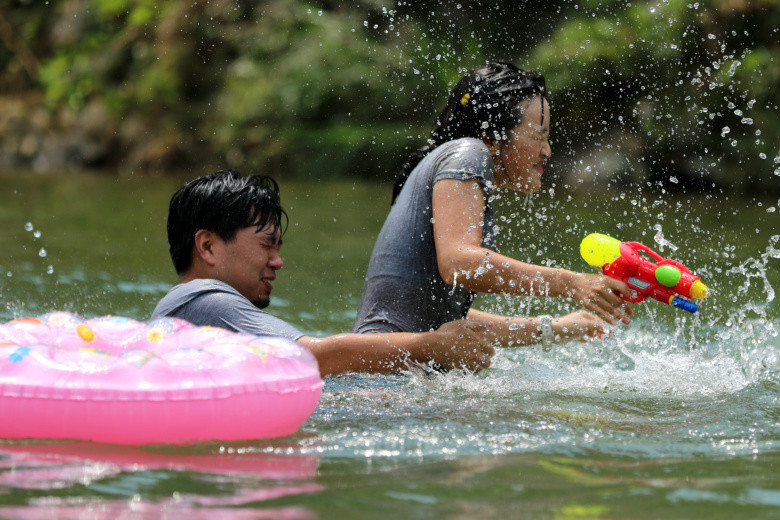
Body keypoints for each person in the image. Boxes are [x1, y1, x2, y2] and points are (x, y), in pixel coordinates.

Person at [353, 61, 633, 348]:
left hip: (392, 373)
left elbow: (441, 317)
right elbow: (458, 262)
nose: (547, 151)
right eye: (539, 136)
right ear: (494, 136)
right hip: (386, 384)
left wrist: (556, 329)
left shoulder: (459, 169)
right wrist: (570, 283)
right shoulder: (468, 153)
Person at [151, 170, 495, 377]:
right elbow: (310, 357)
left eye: (279, 249)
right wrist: (432, 346)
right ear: (208, 247)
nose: (277, 261)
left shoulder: (183, 309)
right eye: (266, 246)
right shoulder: (204, 300)